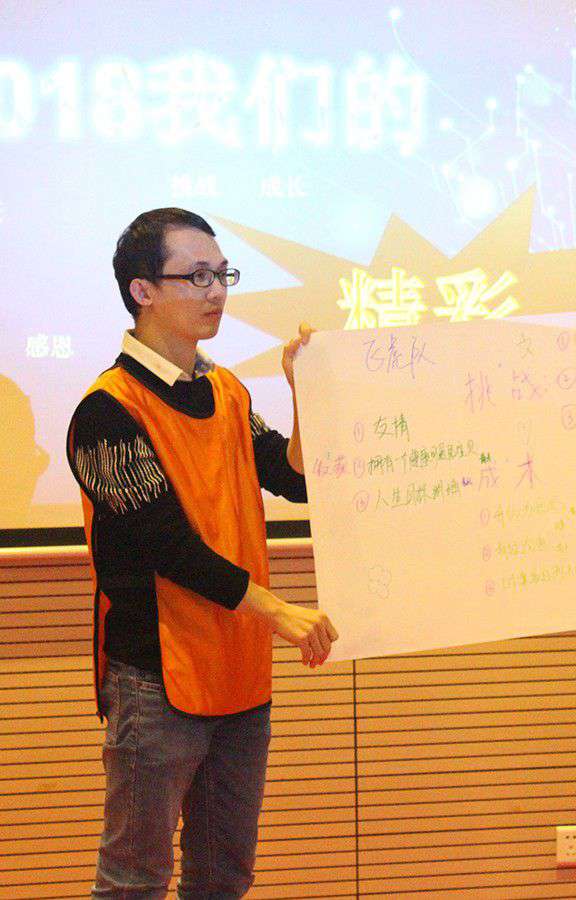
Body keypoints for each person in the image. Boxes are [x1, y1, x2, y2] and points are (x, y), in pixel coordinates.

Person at [67, 207, 339, 899]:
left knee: (223, 876)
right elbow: (170, 546)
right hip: (156, 678)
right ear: (142, 291)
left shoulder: (225, 390)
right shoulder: (106, 410)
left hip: (239, 672)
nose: (216, 291)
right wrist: (278, 611)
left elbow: (293, 476)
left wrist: (307, 391)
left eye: (222, 274)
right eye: (196, 276)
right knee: (134, 880)